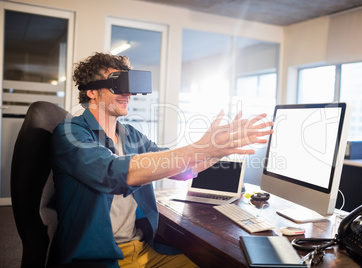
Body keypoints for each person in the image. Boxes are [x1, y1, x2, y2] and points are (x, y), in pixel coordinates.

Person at [50, 52, 274, 268]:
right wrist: (200, 147)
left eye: (130, 86)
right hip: (100, 258)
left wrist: (216, 150)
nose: (128, 93)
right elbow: (113, 172)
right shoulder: (71, 133)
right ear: (91, 92)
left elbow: (179, 169)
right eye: (118, 84)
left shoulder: (131, 135)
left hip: (145, 248)